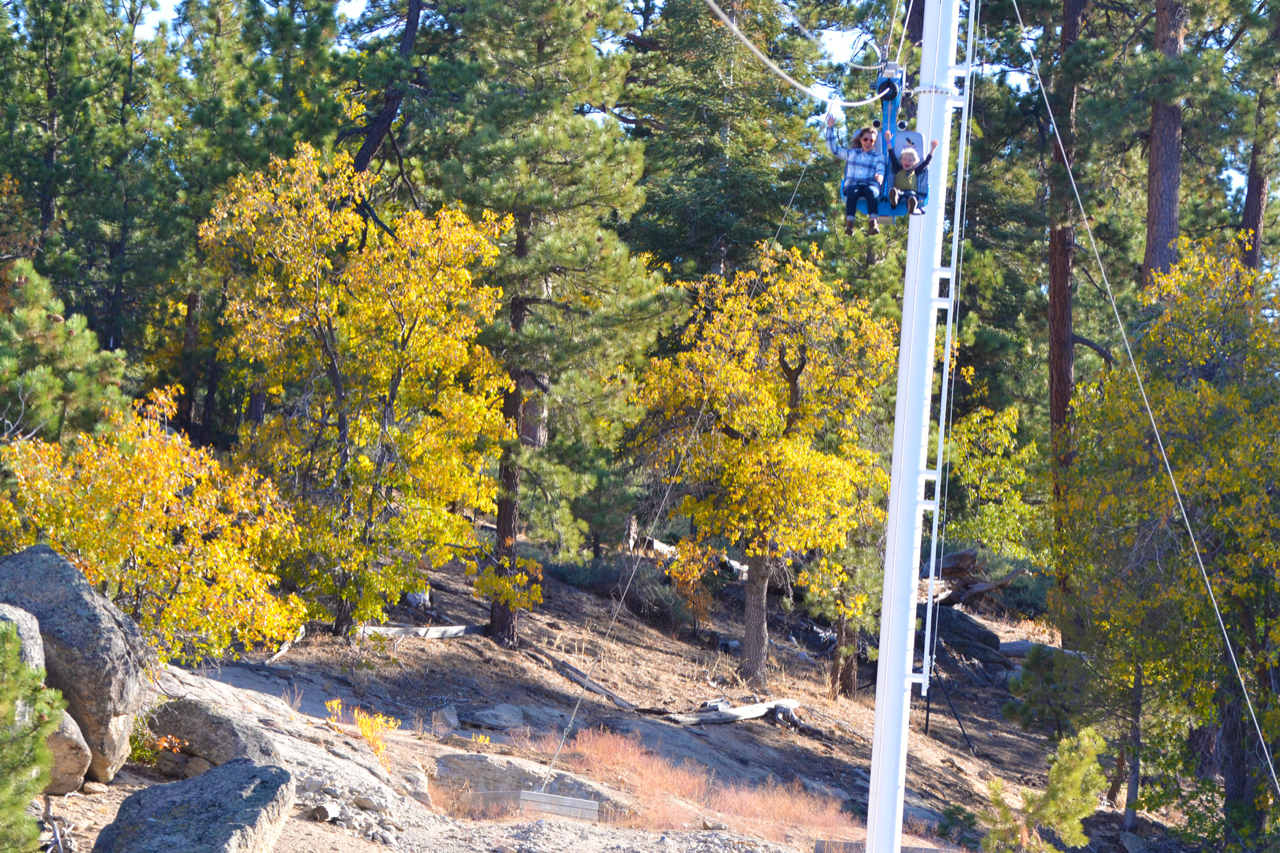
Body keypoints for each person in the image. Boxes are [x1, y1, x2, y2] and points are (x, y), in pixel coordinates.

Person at [825, 114, 884, 236]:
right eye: (866, 139)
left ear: (875, 142)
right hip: (854, 183)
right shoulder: (852, 153)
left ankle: (873, 222)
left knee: (870, 191)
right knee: (853, 191)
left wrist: (880, 176)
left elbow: (881, 168)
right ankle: (850, 223)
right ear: (861, 139)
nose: (868, 142)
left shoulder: (878, 156)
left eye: (871, 140)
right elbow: (833, 149)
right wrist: (830, 128)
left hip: (870, 183)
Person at [886, 130, 939, 215]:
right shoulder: (898, 169)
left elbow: (926, 162)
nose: (907, 162)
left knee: (911, 195)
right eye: (905, 160)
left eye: (910, 160)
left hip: (911, 192)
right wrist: (888, 141)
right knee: (896, 192)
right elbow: (892, 155)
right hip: (899, 190)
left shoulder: (915, 171)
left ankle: (911, 205)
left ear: (914, 162)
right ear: (901, 161)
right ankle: (894, 201)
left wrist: (932, 149)